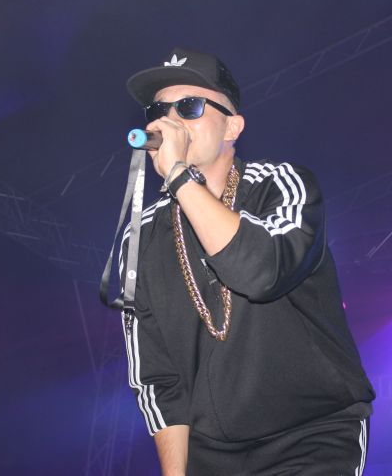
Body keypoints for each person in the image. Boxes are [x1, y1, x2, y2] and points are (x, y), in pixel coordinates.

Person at [118, 47, 376, 475]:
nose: (170, 121)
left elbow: (260, 272)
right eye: (159, 110)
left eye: (190, 106)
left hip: (310, 437)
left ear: (232, 127)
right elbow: (157, 379)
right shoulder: (141, 237)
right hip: (209, 454)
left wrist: (179, 175)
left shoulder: (283, 185)